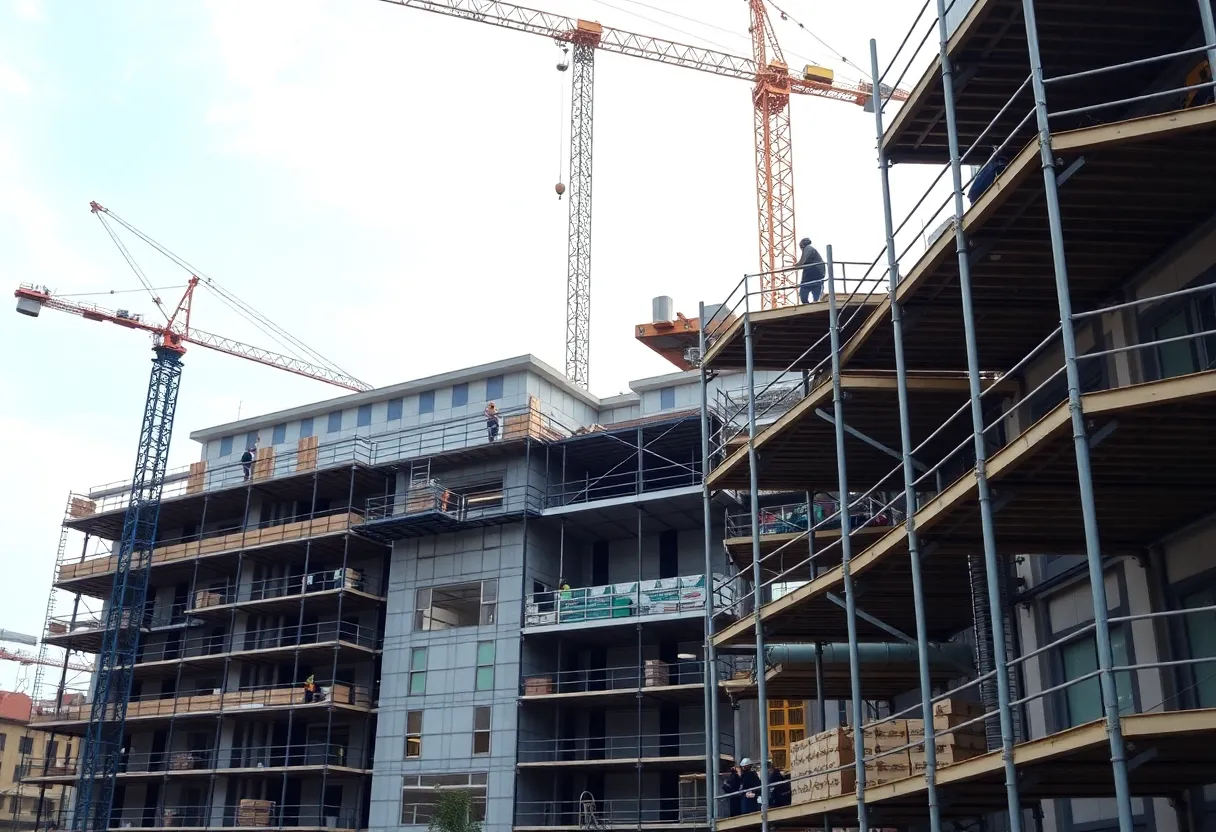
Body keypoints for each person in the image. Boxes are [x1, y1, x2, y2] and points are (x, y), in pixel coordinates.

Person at [796, 238, 825, 304]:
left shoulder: (808, 248)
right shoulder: (810, 249)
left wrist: (796, 266)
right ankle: (815, 301)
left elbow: (803, 260)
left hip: (813, 271)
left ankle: (812, 302)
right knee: (816, 286)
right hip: (817, 272)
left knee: (805, 288)